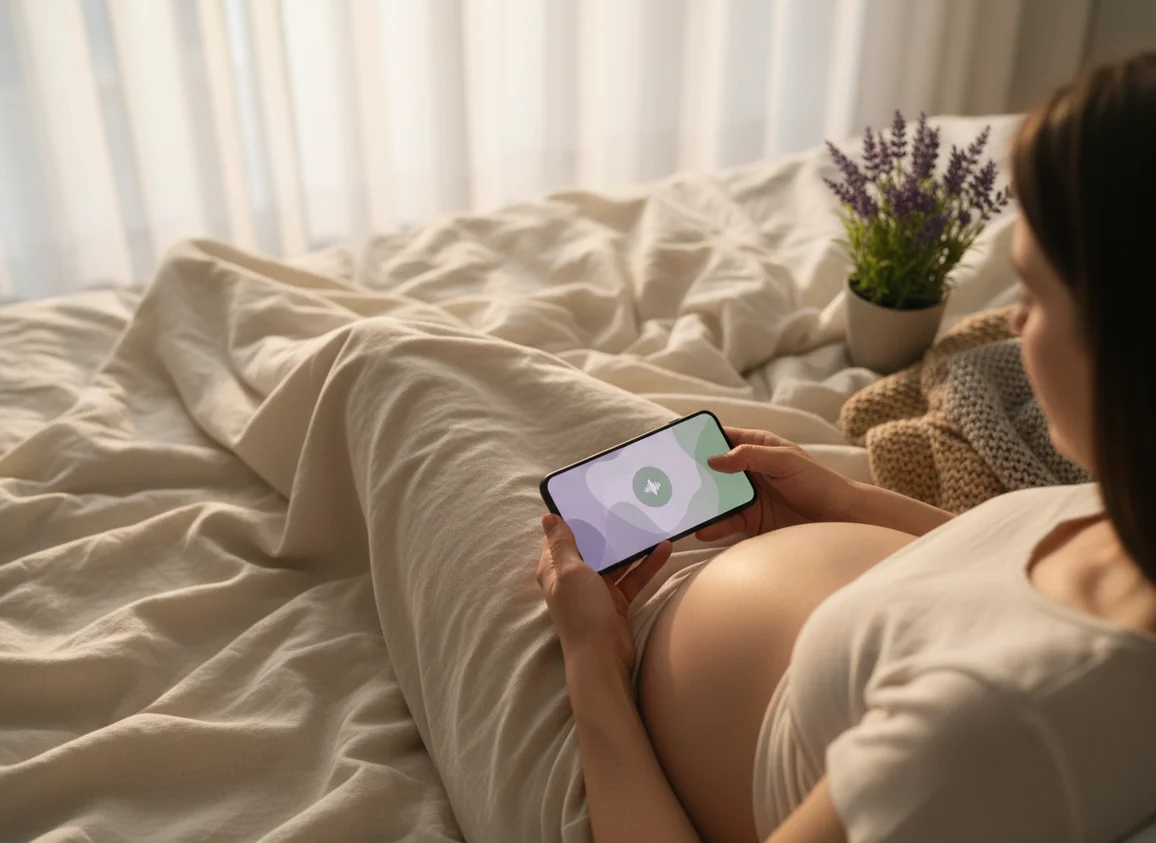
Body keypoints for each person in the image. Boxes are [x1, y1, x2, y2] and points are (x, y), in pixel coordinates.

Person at [536, 52, 1156, 843]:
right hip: (744, 587)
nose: (1011, 322)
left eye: (1031, 293)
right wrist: (848, 502)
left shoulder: (997, 734)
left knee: (408, 368)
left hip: (621, 722)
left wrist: (592, 665)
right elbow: (1013, 578)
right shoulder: (1135, 496)